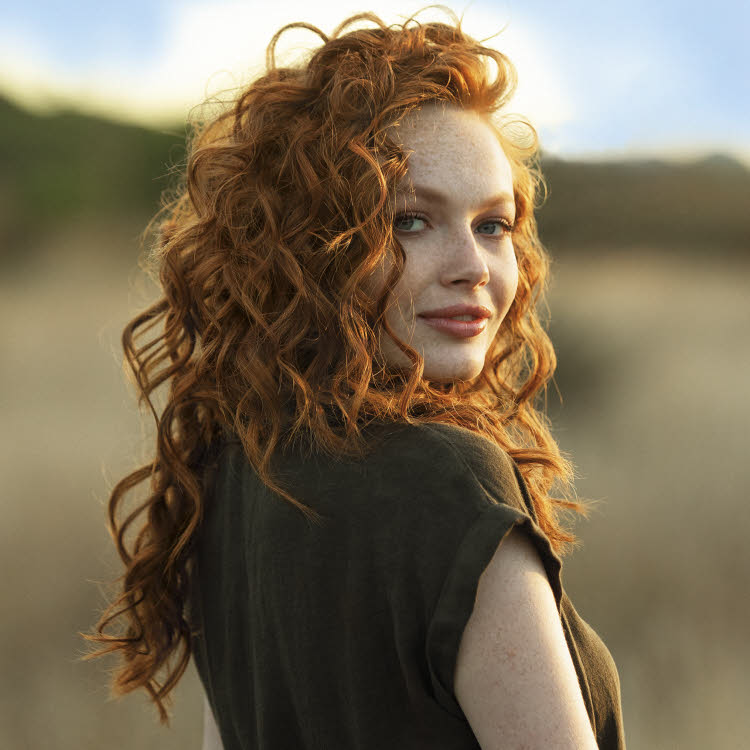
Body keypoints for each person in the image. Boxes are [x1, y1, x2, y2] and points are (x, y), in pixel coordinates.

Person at [84, 8, 626, 749]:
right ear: (310, 247)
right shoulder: (448, 480)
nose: (472, 266)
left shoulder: (235, 468)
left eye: (492, 225)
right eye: (410, 221)